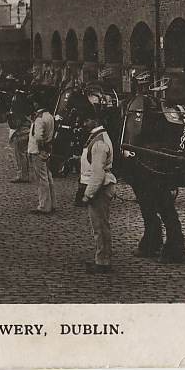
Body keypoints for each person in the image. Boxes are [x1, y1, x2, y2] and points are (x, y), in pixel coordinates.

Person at [79, 115, 118, 274]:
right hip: (100, 186)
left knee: (100, 227)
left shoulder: (99, 142)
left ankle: (103, 262)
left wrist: (88, 194)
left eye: (87, 120)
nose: (84, 123)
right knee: (101, 226)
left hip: (100, 189)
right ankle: (102, 258)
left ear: (96, 120)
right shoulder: (97, 137)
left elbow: (98, 173)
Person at [28, 90, 56, 214]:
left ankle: (44, 205)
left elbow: (38, 137)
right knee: (48, 177)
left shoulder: (39, 119)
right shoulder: (49, 116)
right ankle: (52, 203)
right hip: (47, 148)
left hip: (38, 150)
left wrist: (39, 148)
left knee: (41, 179)